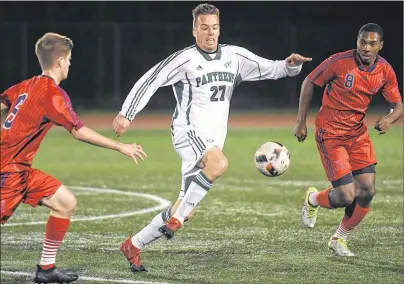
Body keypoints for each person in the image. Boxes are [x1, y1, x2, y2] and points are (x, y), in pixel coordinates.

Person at [113, 3, 311, 272]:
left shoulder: (234, 56)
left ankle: (134, 244)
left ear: (220, 29)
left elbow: (271, 69)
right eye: (204, 27)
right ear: (194, 30)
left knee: (185, 208)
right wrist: (127, 112)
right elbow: (151, 79)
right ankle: (177, 221)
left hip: (211, 141)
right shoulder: (185, 59)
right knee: (217, 165)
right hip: (187, 132)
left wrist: (290, 66)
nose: (210, 33)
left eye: (214, 28)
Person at [0, 32, 147, 283]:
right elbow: (78, 132)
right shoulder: (52, 94)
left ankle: (46, 270)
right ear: (59, 61)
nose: (70, 64)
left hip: (21, 170)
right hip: (8, 172)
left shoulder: (26, 85)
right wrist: (120, 147)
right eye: (68, 60)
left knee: (65, 202)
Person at [294, 23, 403, 256]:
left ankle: (339, 239)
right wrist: (301, 121)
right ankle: (313, 199)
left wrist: (390, 119)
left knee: (367, 191)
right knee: (345, 196)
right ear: (357, 42)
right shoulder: (339, 62)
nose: (366, 47)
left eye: (372, 44)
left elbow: (398, 106)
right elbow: (309, 82)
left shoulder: (384, 70)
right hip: (330, 134)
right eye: (363, 42)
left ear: (380, 46)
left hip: (357, 134)